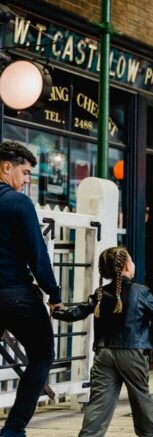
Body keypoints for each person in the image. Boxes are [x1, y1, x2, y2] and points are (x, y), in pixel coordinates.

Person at [51, 247, 153, 437]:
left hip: (104, 353)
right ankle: (151, 435)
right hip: (132, 353)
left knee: (99, 402)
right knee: (140, 398)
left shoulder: (99, 294)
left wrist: (57, 311)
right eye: (131, 261)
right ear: (126, 266)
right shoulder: (141, 292)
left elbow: (77, 312)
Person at [0, 140, 64, 437]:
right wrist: (54, 293)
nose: (27, 180)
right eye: (25, 173)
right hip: (17, 295)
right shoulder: (18, 203)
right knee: (42, 354)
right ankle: (13, 430)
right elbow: (36, 254)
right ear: (6, 167)